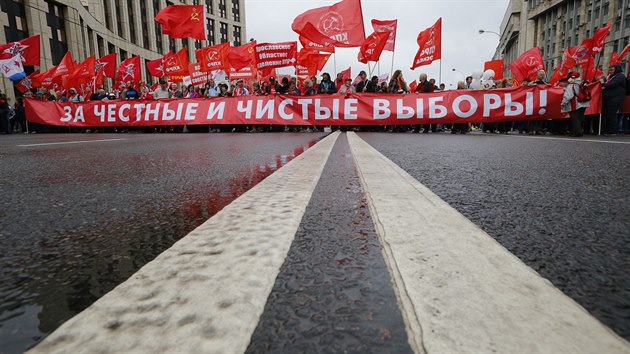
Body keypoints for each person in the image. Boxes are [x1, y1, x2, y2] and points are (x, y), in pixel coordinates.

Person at [561, 71, 590, 137]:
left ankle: (578, 132)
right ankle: (578, 131)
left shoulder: (571, 85)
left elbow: (568, 96)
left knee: (575, 118)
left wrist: (563, 103)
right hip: (584, 103)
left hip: (575, 103)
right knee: (580, 118)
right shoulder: (583, 84)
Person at [600, 64, 626, 135]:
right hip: (609, 98)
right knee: (607, 114)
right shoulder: (612, 77)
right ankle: (607, 129)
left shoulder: (620, 76)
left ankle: (613, 130)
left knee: (612, 114)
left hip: (615, 99)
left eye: (612, 70)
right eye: (610, 70)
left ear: (617, 69)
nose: (610, 71)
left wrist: (603, 83)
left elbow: (611, 84)